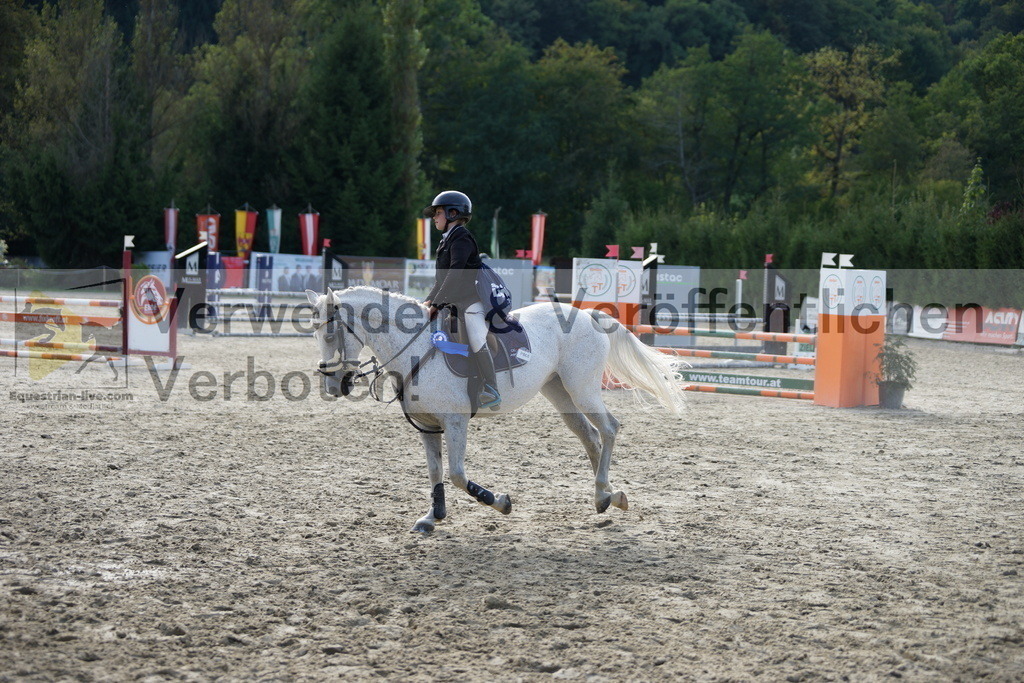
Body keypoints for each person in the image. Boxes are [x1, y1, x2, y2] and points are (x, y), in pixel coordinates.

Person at [422, 190, 501, 410]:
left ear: (453, 213)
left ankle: (492, 388)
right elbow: (442, 280)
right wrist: (428, 302)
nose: (434, 217)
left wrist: (437, 304)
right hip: (453, 305)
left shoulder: (462, 238)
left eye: (438, 213)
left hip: (471, 302)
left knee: (476, 337)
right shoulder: (446, 241)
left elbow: (455, 274)